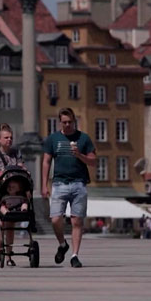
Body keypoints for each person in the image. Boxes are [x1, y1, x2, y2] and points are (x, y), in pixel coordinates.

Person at [41, 107, 96, 268]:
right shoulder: (53, 139)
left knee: (77, 221)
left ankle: (74, 255)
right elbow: (46, 162)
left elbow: (93, 161)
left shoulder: (83, 138)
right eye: (64, 122)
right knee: (55, 219)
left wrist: (80, 155)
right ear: (60, 122)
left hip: (79, 183)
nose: (67, 125)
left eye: (70, 122)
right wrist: (44, 185)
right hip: (59, 183)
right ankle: (62, 244)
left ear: (74, 121)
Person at [0, 123, 25, 267]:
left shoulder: (16, 153)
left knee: (11, 223)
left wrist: (24, 170)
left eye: (11, 137)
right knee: (0, 222)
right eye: (6, 137)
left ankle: (8, 255)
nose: (9, 140)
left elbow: (21, 168)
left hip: (14, 191)